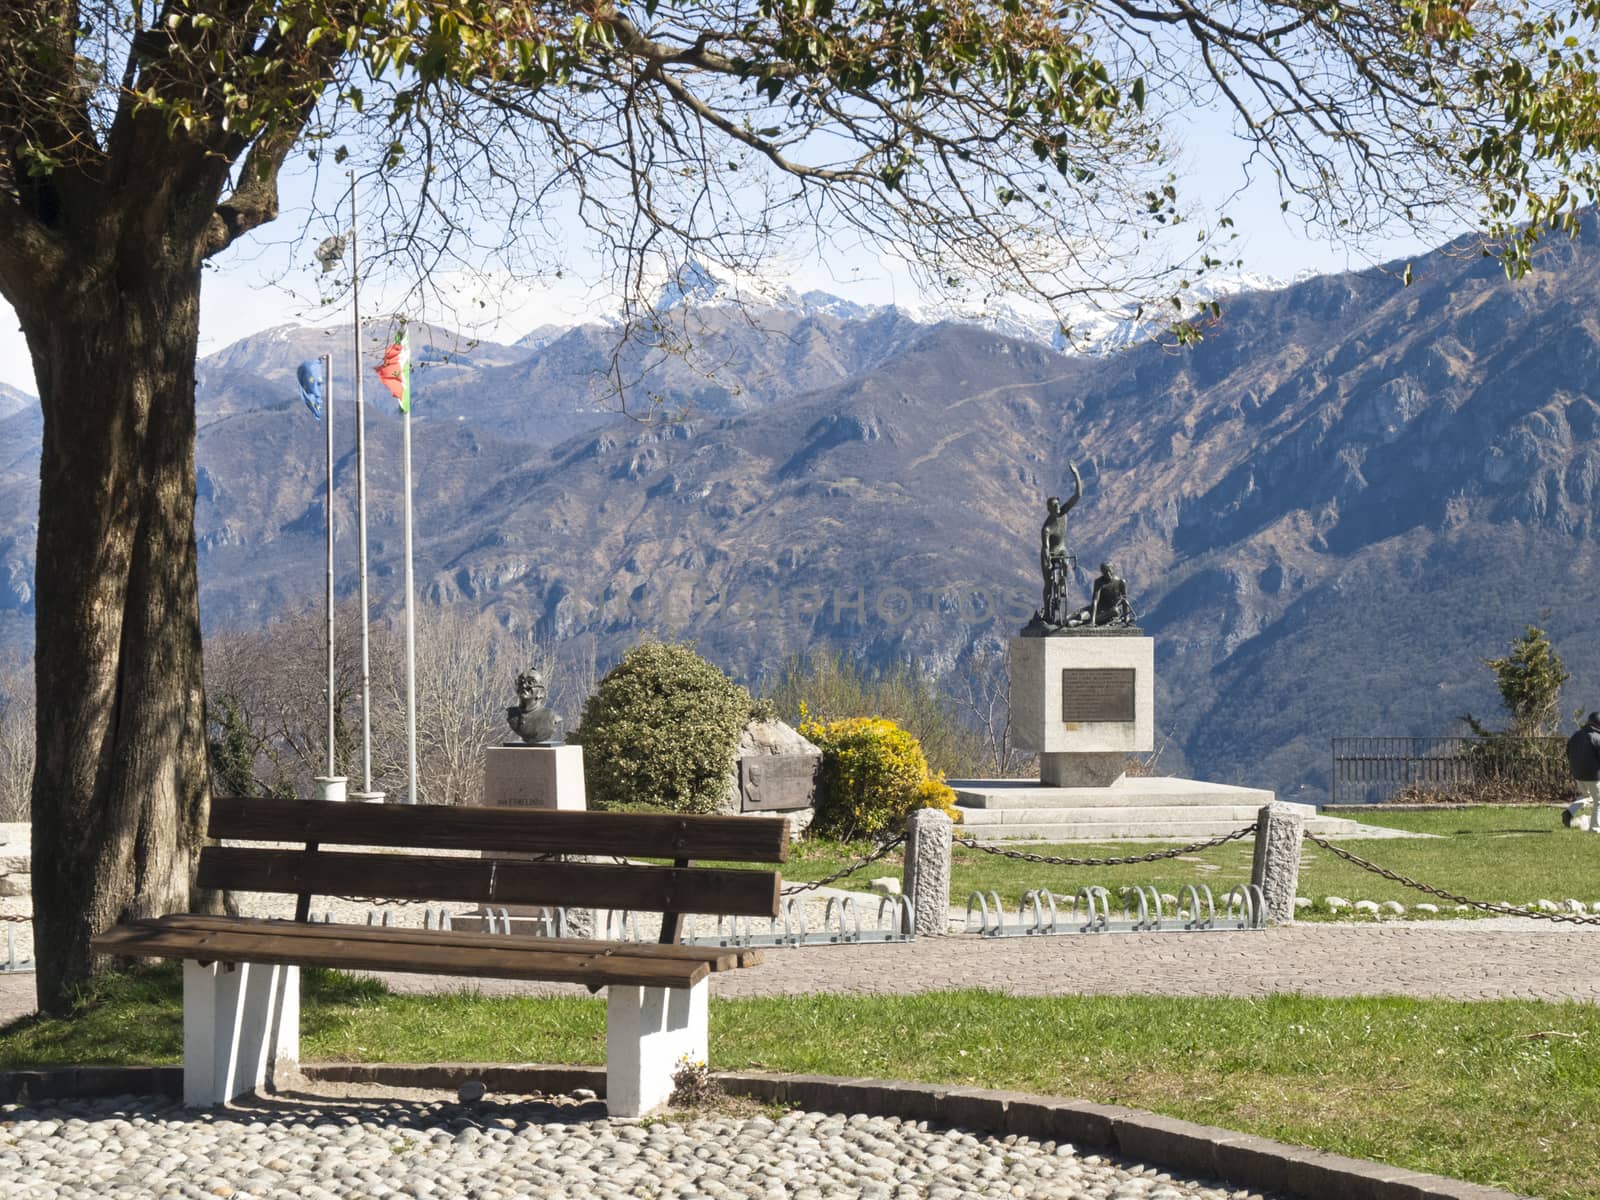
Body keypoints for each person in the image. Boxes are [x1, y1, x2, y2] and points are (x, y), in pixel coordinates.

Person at [1038, 463, 1082, 624]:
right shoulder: (1047, 528)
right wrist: (1047, 559)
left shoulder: (1064, 514)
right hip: (1050, 553)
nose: (1057, 508)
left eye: (1058, 505)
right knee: (1048, 584)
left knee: (1064, 561)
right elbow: (1045, 547)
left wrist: (1076, 474)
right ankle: (1048, 610)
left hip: (1062, 549)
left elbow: (1078, 495)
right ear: (1049, 509)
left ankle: (1063, 583)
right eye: (1054, 507)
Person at [1565, 712, 1600, 832]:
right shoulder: (1596, 737)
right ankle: (1595, 828)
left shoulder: (1576, 735)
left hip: (1578, 774)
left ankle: (1570, 811)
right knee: (1598, 801)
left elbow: (1568, 752)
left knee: (1588, 796)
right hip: (1594, 775)